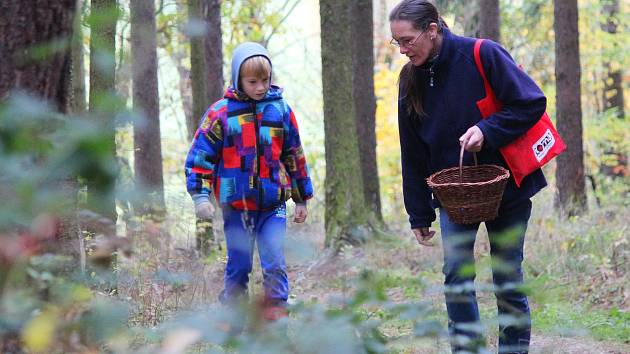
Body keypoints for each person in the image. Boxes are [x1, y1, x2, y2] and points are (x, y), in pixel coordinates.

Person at [389, 1, 547, 353]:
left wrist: (486, 130)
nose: (402, 49)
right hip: (452, 197)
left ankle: (513, 348)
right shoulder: (409, 79)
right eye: (396, 42)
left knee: (507, 276)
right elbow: (412, 150)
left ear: (432, 29)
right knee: (456, 276)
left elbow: (531, 103)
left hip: (508, 189)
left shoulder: (482, 55)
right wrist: (418, 212)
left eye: (408, 40)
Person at [184, 42, 313, 324]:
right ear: (238, 79)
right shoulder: (221, 113)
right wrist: (200, 195)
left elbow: (294, 154)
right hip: (236, 205)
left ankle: (276, 312)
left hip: (272, 204)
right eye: (253, 81)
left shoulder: (280, 111)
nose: (260, 87)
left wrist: (301, 196)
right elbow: (200, 156)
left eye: (265, 80)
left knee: (274, 260)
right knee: (240, 265)